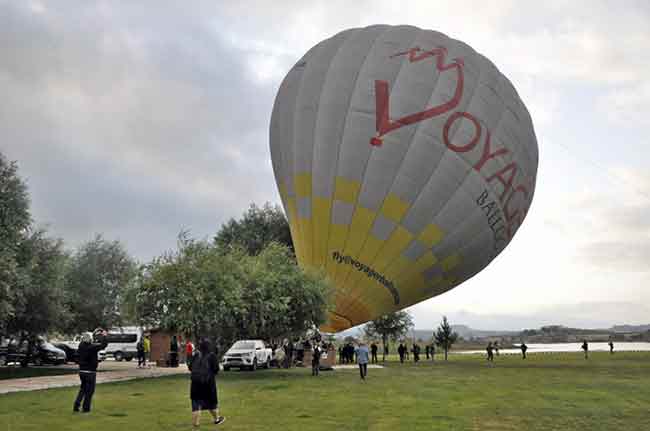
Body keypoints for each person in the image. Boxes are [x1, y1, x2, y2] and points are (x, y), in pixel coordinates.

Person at [189, 338, 225, 428]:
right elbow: (216, 369)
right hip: (208, 383)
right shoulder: (212, 356)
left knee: (196, 404)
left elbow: (190, 367)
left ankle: (196, 424)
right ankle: (217, 419)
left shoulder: (196, 355)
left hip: (195, 383)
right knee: (211, 403)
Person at [73, 329, 108, 413]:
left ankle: (76, 405)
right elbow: (103, 345)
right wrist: (104, 336)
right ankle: (86, 408)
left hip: (82, 371)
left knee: (83, 389)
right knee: (90, 391)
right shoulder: (92, 347)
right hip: (90, 372)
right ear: (90, 339)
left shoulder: (80, 346)